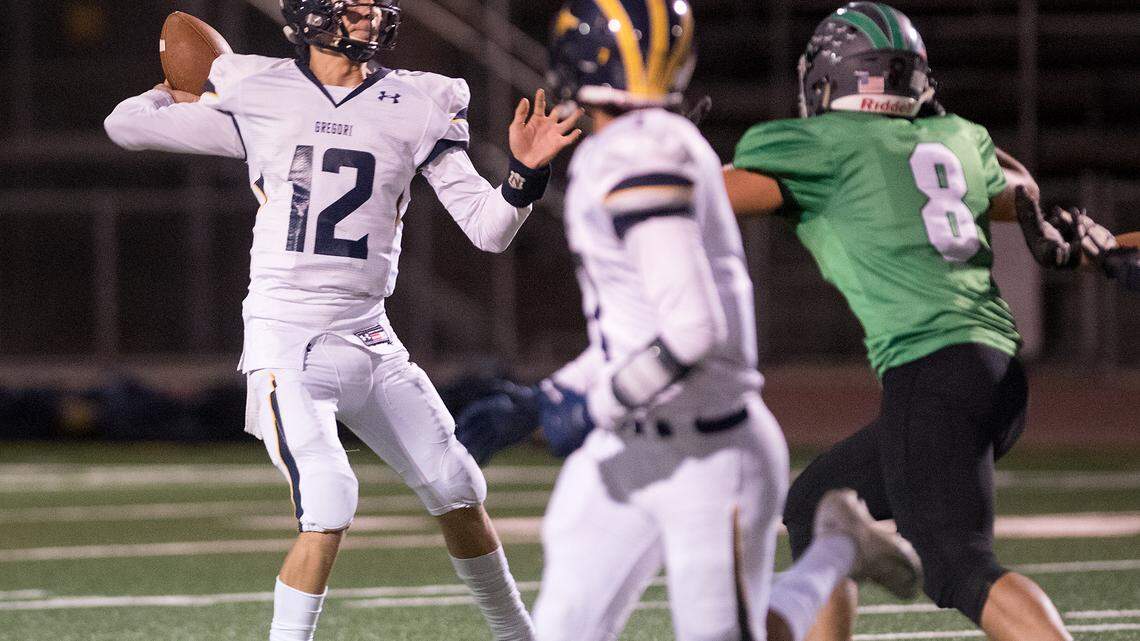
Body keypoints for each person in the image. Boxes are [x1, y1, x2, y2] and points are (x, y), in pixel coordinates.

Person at [104, 2, 582, 640]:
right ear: (311, 13)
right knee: (330, 496)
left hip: (371, 337)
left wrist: (526, 173)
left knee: (458, 483)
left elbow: (489, 230)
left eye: (373, 8)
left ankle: (519, 636)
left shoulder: (419, 101)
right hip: (286, 339)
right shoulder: (256, 87)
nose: (368, 18)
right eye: (352, 7)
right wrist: (174, 92)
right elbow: (125, 126)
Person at [458, 2, 920, 640]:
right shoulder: (648, 144)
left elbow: (692, 331)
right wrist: (548, 396)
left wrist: (593, 408)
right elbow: (637, 327)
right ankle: (839, 545)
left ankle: (836, 551)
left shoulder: (634, 153)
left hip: (711, 452)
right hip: (630, 447)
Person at [723, 3, 1139, 640]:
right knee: (815, 508)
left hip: (933, 369)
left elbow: (709, 194)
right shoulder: (958, 139)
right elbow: (1020, 187)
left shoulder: (820, 146)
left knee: (957, 565)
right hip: (995, 374)